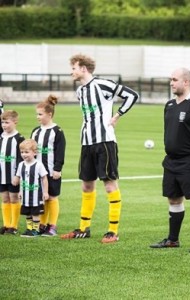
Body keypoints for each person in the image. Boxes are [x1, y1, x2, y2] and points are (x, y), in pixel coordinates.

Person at [61, 54, 139, 243]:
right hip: (87, 143)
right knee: (87, 184)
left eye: (74, 68)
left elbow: (132, 95)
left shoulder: (103, 85)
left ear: (83, 69)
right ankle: (83, 228)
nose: (72, 71)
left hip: (105, 142)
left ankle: (113, 231)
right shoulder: (80, 91)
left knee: (109, 183)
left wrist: (118, 115)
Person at [149, 68, 190, 253]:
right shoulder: (169, 105)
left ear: (186, 82)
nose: (171, 83)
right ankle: (172, 240)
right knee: (174, 199)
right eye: (171, 79)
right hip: (171, 161)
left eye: (175, 79)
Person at [31, 94, 66, 237]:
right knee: (41, 198)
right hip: (38, 172)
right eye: (37, 114)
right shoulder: (35, 131)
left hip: (51, 171)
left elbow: (60, 152)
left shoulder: (57, 131)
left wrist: (57, 169)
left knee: (52, 197)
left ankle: (52, 226)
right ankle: (42, 225)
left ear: (49, 114)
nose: (38, 117)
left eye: (40, 114)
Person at [13, 139, 49, 237]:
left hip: (36, 195)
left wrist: (45, 192)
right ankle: (29, 229)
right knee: (27, 213)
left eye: (27, 152)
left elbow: (44, 178)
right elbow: (21, 179)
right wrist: (20, 191)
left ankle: (35, 230)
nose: (24, 154)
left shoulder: (38, 164)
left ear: (34, 152)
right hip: (25, 195)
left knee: (35, 213)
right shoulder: (21, 165)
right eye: (22, 152)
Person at [0, 110, 25, 235]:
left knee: (14, 199)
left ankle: (13, 226)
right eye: (2, 122)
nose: (4, 125)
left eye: (7, 122)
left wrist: (18, 175)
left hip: (13, 176)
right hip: (2, 175)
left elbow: (22, 159)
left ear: (15, 122)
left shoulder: (19, 138)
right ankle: (6, 224)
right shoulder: (1, 137)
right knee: (5, 199)